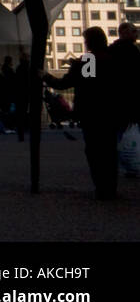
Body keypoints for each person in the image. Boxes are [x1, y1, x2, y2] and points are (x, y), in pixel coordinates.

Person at [44, 28, 118, 200]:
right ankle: (111, 187)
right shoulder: (111, 59)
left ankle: (102, 188)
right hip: (110, 111)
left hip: (92, 113)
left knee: (95, 151)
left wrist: (45, 76)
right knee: (109, 151)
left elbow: (84, 85)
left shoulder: (90, 60)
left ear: (90, 42)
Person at [13, 49, 31, 142]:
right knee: (25, 112)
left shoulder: (19, 68)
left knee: (20, 113)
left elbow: (17, 81)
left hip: (20, 94)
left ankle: (21, 133)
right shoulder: (29, 67)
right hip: (27, 93)